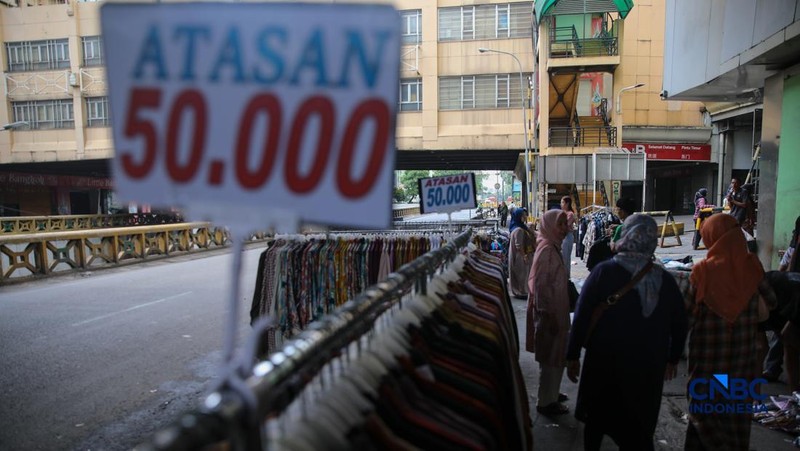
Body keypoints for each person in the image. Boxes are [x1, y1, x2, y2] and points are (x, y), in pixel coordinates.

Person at [566, 215, 688, 450]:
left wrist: (572, 355)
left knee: (596, 423)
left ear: (626, 236)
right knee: (638, 430)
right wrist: (672, 358)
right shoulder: (664, 279)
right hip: (646, 367)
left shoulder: (603, 272)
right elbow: (680, 321)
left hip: (604, 362)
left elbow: (581, 315)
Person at [684, 213, 771, 450]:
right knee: (735, 416)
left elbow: (687, 316)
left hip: (708, 363)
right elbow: (770, 301)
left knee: (704, 415)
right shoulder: (752, 264)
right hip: (742, 363)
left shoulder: (702, 271)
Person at [526, 209, 571, 416]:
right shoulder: (547, 251)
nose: (565, 229)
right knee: (550, 359)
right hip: (550, 313)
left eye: (565, 224)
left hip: (556, 311)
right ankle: (546, 402)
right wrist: (549, 316)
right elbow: (541, 287)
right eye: (560, 224)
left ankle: (552, 394)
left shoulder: (552, 247)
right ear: (549, 226)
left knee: (555, 356)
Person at [509, 207, 535, 298]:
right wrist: (524, 256)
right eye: (523, 215)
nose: (525, 216)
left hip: (522, 254)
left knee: (524, 273)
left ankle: (523, 290)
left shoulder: (521, 227)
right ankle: (521, 291)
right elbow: (518, 246)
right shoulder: (518, 230)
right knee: (521, 274)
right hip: (520, 256)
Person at [560, 196, 576, 276]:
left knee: (565, 257)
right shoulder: (562, 213)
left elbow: (565, 226)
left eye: (563, 202)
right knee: (562, 256)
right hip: (562, 236)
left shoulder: (570, 214)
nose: (561, 204)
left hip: (567, 236)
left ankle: (566, 276)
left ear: (567, 203)